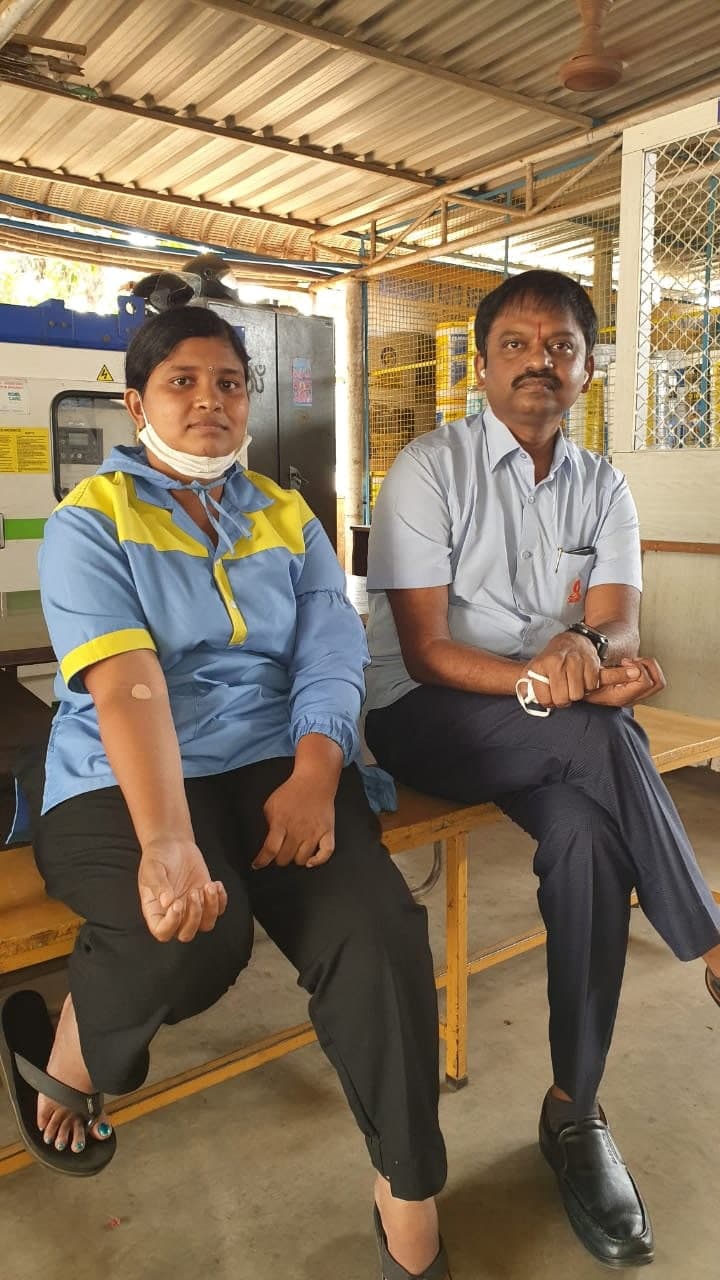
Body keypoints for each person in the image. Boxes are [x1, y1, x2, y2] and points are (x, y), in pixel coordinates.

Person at [0, 306, 449, 1280]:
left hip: (277, 762)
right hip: (123, 769)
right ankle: (78, 1046)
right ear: (137, 404)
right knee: (194, 932)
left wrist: (318, 771)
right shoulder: (91, 520)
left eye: (229, 383)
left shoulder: (288, 516)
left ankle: (409, 1200)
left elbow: (331, 648)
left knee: (378, 932)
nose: (210, 400)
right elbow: (127, 683)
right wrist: (168, 840)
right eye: (182, 382)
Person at [363, 269, 720, 1270]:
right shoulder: (429, 470)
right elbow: (425, 650)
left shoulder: (604, 484)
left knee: (588, 841)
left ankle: (575, 1106)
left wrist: (593, 659)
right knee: (601, 737)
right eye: (516, 345)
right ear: (482, 367)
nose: (538, 362)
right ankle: (709, 939)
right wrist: (555, 682)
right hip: (425, 713)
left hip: (548, 722)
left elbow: (616, 620)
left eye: (560, 346)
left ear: (588, 369)